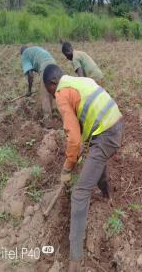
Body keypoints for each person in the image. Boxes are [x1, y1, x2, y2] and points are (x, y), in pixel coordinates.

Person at [43, 64, 123, 272]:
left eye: (49, 91)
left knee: (79, 193)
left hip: (106, 134)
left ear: (52, 84)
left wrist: (67, 168)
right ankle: (107, 195)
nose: (52, 96)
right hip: (114, 125)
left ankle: (75, 261)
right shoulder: (77, 81)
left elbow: (74, 140)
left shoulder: (61, 93)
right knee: (97, 164)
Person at [20, 45, 56, 121]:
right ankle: (54, 111)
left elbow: (30, 75)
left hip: (45, 67)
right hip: (54, 64)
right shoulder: (35, 49)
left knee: (45, 94)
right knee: (53, 89)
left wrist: (29, 90)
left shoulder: (24, 55)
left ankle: (47, 119)